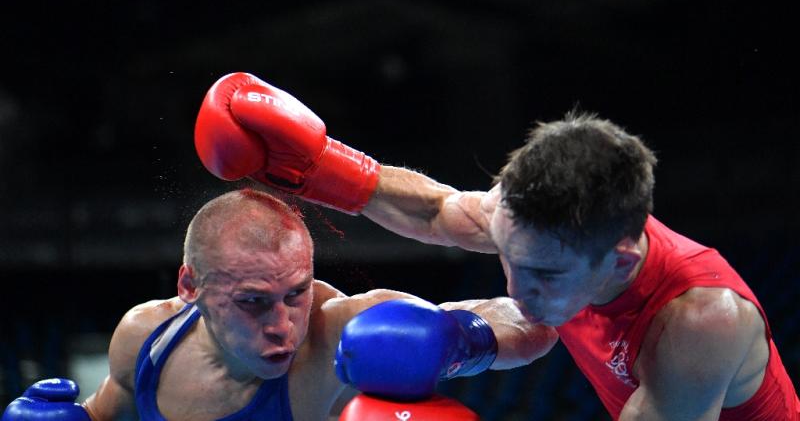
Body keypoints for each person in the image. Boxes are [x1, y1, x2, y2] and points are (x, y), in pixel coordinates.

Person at [194, 72, 800, 420]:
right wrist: (315, 167)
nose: (517, 286)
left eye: (542, 275)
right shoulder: (547, 233)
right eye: (507, 254)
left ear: (622, 261)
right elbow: (434, 210)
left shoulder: (700, 323)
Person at [2, 188, 558, 421]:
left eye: (296, 293)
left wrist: (459, 340)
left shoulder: (339, 332)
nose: (282, 326)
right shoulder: (145, 337)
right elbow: (102, 413)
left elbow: (531, 322)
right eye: (252, 302)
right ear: (190, 288)